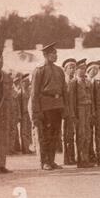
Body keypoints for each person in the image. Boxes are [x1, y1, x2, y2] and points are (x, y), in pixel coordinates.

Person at [30, 42, 67, 170]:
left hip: (57, 105)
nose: (55, 55)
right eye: (53, 53)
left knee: (55, 135)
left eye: (56, 53)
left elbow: (64, 90)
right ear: (45, 55)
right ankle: (45, 161)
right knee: (45, 135)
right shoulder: (39, 70)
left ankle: (51, 161)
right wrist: (36, 111)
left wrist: (65, 108)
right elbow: (34, 93)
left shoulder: (59, 70)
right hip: (45, 106)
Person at [68, 59, 95, 168]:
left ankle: (86, 158)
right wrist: (73, 115)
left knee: (88, 134)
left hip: (87, 109)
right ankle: (80, 159)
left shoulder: (88, 82)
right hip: (79, 110)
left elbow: (92, 98)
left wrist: (93, 112)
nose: (83, 71)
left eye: (84, 68)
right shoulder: (73, 82)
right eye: (81, 68)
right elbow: (71, 100)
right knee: (81, 135)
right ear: (76, 70)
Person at [62, 58, 77, 165]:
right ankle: (67, 158)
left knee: (72, 135)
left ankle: (71, 157)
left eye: (73, 68)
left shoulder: (74, 81)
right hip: (66, 112)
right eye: (70, 68)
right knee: (67, 136)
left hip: (74, 111)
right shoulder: (64, 81)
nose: (72, 70)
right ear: (65, 69)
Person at [86, 61, 99, 164]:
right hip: (87, 111)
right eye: (92, 69)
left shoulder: (96, 81)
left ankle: (93, 154)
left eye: (96, 69)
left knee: (95, 133)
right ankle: (90, 153)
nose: (95, 71)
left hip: (96, 111)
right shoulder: (87, 81)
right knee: (88, 133)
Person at [19, 73, 34, 154]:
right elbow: (18, 105)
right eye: (25, 81)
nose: (27, 83)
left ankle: (27, 147)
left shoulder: (29, 91)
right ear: (22, 82)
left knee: (28, 131)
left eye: (28, 81)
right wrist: (19, 114)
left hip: (28, 114)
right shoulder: (19, 93)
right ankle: (24, 149)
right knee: (24, 131)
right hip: (23, 114)